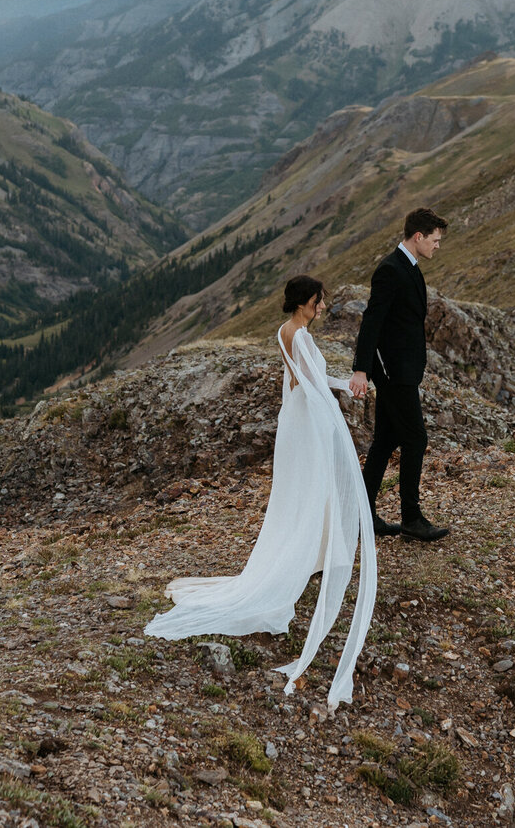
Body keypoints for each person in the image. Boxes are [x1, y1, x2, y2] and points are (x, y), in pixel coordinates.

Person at [145, 276, 377, 710]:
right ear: (308, 302)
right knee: (314, 488)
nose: (323, 306)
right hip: (306, 422)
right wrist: (350, 386)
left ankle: (319, 552)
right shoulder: (302, 336)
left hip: (293, 420)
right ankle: (318, 555)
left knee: (300, 493)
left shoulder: (283, 331)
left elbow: (293, 382)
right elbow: (312, 383)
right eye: (320, 300)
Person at [349, 207, 450, 542]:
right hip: (393, 372)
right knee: (416, 438)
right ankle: (411, 518)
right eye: (435, 240)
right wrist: (361, 369)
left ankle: (361, 514)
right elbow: (372, 320)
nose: (438, 246)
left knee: (385, 440)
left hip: (405, 369)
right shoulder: (390, 269)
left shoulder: (410, 266)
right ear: (418, 237)